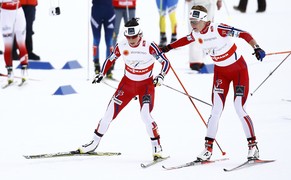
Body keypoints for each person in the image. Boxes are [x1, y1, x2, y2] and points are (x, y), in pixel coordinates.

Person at [161, 5, 266, 161]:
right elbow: (185, 40)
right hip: (220, 73)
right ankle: (208, 149)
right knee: (215, 109)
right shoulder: (196, 34)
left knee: (239, 106)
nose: (193, 24)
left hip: (238, 70)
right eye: (191, 20)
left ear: (204, 20)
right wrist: (168, 47)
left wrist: (256, 47)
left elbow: (244, 34)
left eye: (195, 21)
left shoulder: (219, 28)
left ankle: (253, 147)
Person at [77, 18, 170, 160]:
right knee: (108, 114)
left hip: (146, 86)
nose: (131, 40)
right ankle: (93, 143)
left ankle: (157, 146)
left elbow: (165, 62)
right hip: (127, 85)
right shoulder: (122, 45)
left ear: (140, 34)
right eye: (128, 37)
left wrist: (161, 76)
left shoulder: (149, 45)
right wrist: (101, 73)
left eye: (134, 37)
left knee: (145, 115)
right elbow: (110, 59)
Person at [185, 0, 222, 71]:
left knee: (209, 30)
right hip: (196, 2)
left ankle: (208, 57)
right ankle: (195, 61)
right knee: (195, 30)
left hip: (211, 2)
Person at [0, 0, 28, 84]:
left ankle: (24, 72)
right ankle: (10, 72)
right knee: (7, 45)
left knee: (21, 43)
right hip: (5, 13)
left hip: (18, 11)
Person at [111, 0, 137, 79]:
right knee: (114, 33)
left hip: (130, 6)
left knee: (132, 33)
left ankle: (135, 61)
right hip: (116, 6)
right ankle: (111, 61)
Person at [91, 0, 116, 79]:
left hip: (109, 13)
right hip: (96, 13)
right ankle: (96, 65)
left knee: (109, 41)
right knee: (96, 39)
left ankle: (108, 68)